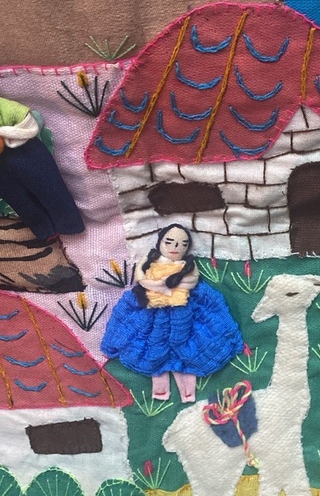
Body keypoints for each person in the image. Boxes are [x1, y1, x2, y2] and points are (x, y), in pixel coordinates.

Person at [101, 224, 243, 402]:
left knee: (188, 347)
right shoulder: (149, 265)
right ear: (160, 243)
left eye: (182, 244)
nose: (175, 247)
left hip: (184, 309)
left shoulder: (188, 269)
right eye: (169, 242)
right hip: (152, 309)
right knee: (154, 348)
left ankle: (188, 393)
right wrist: (154, 287)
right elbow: (140, 279)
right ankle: (160, 391)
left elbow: (198, 286)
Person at [0, 96, 84, 239]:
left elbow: (26, 121)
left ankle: (70, 224)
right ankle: (44, 229)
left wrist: (6, 134)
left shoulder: (3, 107)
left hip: (24, 150)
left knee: (50, 187)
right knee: (19, 201)